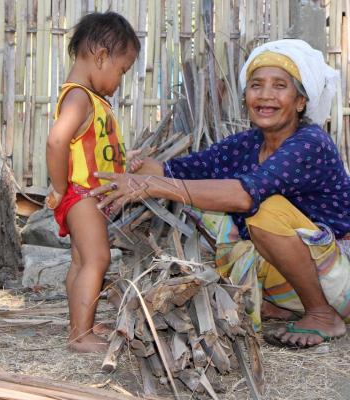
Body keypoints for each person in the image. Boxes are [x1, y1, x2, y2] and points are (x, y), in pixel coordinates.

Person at [90, 39, 350, 348]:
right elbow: (182, 170)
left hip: (338, 279)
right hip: (298, 280)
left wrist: (154, 186)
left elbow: (244, 196)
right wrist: (137, 167)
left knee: (264, 212)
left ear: (300, 102)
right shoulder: (246, 144)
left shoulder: (310, 142)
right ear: (246, 97)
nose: (265, 95)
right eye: (256, 85)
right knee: (215, 221)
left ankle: (322, 315)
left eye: (279, 86)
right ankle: (283, 305)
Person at [45, 11, 141, 353]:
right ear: (101, 57)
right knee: (98, 259)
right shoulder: (79, 97)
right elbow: (57, 141)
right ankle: (80, 336)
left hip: (85, 196)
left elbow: (94, 148)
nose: (120, 81)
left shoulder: (92, 100)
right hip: (81, 195)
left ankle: (80, 322)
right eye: (122, 71)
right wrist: (59, 187)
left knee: (82, 261)